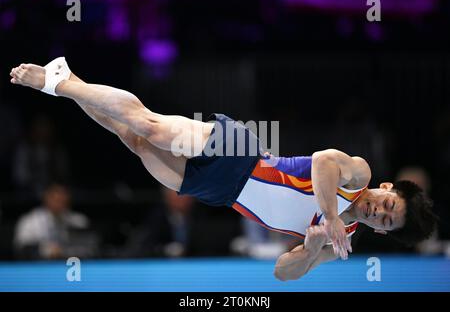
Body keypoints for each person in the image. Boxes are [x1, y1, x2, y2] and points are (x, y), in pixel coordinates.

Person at [10, 57, 438, 279]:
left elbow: (282, 273)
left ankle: (70, 82)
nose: (377, 210)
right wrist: (328, 214)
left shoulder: (341, 243)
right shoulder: (358, 174)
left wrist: (311, 247)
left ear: (381, 232)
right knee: (149, 124)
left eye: (384, 219)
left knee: (133, 140)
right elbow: (325, 161)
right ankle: (57, 84)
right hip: (241, 153)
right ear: (385, 186)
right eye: (387, 203)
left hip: (222, 194)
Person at [13, 183, 95, 260]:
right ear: (46, 198)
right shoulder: (30, 221)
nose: (59, 203)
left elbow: (90, 247)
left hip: (72, 266)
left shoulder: (79, 220)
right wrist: (47, 250)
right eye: (55, 199)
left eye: (62, 199)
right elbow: (21, 248)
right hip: (39, 267)